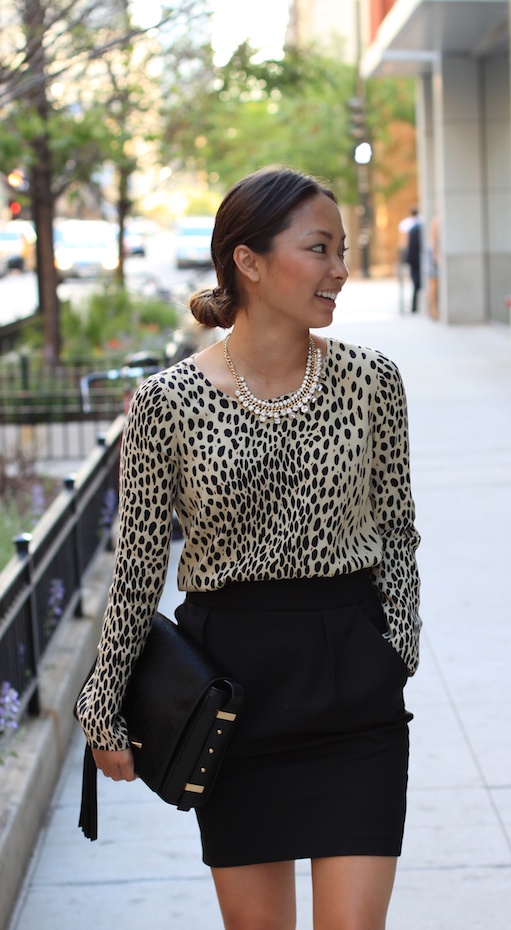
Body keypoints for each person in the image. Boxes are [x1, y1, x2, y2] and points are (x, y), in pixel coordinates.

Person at [76, 166, 422, 930]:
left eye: (343, 250)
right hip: (234, 696)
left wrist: (398, 645)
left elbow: (397, 531)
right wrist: (103, 706)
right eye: (320, 248)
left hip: (354, 688)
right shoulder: (168, 403)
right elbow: (137, 567)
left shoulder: (373, 383)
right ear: (250, 260)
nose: (339, 270)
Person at [405, 209, 423, 313]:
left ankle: (414, 306)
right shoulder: (416, 227)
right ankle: (414, 306)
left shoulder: (412, 227)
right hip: (415, 259)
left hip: (413, 258)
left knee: (415, 284)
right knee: (417, 283)